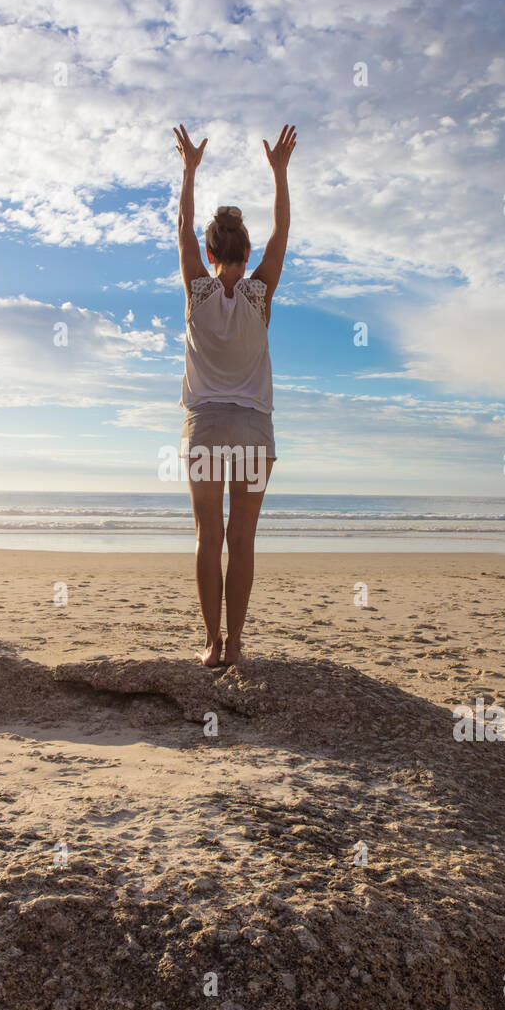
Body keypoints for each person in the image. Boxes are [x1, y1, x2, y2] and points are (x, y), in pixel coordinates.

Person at [172, 122, 297, 667]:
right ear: (246, 251)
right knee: (241, 539)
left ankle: (211, 645)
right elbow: (282, 234)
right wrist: (280, 174)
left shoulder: (198, 291)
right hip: (252, 430)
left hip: (204, 428)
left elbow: (180, 227)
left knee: (208, 537)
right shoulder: (259, 295)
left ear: (208, 249)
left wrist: (189, 169)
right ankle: (238, 644)